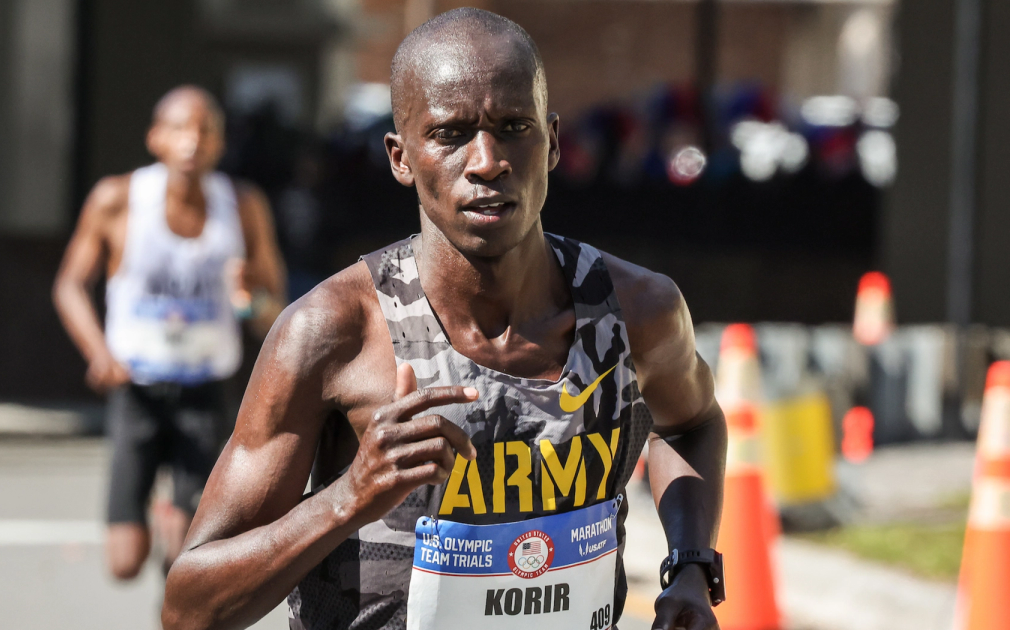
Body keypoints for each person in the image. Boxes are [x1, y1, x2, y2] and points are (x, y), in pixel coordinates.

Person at [163, 9, 725, 630]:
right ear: (402, 158)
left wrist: (692, 565)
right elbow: (189, 608)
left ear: (554, 143)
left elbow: (692, 421)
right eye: (451, 134)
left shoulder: (637, 312)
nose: (487, 161)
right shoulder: (335, 331)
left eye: (514, 127)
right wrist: (347, 499)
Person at [53, 85, 286, 581]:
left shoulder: (243, 206)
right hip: (136, 386)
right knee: (124, 563)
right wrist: (99, 353)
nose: (193, 142)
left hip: (205, 390)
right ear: (155, 138)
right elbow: (70, 286)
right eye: (180, 129)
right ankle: (157, 519)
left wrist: (250, 300)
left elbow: (275, 311)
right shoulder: (118, 199)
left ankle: (176, 531)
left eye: (206, 131)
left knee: (187, 562)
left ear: (221, 144)